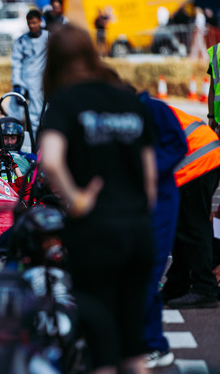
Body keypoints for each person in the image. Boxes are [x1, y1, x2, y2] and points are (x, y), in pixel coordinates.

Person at [39, 24, 157, 374]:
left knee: (102, 352)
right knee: (133, 349)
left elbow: (49, 160)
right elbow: (150, 179)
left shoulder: (65, 102)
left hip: (96, 233)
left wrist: (76, 199)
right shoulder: (126, 98)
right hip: (137, 231)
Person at [135, 92, 187, 368]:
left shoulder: (151, 109)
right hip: (135, 200)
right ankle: (150, 342)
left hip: (160, 198)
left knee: (146, 272)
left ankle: (149, 343)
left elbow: (179, 144)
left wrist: (147, 170)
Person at [161, 106, 220, 309]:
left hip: (197, 158)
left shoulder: (125, 118)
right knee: (181, 225)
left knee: (193, 226)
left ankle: (205, 288)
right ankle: (177, 286)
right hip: (201, 151)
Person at [9, 9, 49, 138]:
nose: (32, 26)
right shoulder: (22, 40)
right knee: (13, 115)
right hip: (23, 80)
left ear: (40, 22)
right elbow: (16, 62)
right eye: (29, 23)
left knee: (35, 118)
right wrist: (16, 83)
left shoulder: (48, 37)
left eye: (34, 23)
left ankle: (34, 145)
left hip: (38, 82)